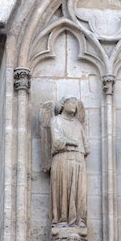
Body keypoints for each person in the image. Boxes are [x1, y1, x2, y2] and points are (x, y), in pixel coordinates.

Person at [49, 97, 89, 228]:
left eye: (75, 103)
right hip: (63, 159)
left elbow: (86, 145)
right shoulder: (56, 121)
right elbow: (56, 142)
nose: (74, 105)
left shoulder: (78, 124)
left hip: (78, 159)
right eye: (71, 102)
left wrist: (81, 148)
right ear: (63, 105)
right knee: (63, 189)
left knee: (79, 191)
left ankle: (78, 219)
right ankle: (62, 220)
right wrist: (72, 142)